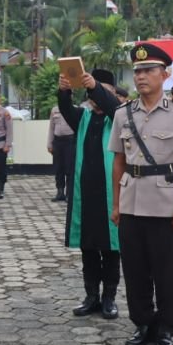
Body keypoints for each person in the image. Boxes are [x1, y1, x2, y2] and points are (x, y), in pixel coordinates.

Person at [109, 43, 173, 345]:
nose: (142, 76)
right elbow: (119, 162)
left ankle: (166, 327)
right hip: (132, 200)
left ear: (165, 74)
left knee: (166, 270)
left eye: (148, 70)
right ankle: (143, 322)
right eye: (137, 71)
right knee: (134, 269)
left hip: (166, 203)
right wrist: (116, 204)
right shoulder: (123, 115)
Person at [57, 69, 122, 320]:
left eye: (103, 89)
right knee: (89, 249)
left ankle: (109, 298)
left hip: (111, 195)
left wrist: (97, 87)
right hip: (86, 196)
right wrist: (64, 89)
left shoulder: (119, 117)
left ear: (112, 93)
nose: (96, 94)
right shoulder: (82, 117)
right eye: (93, 89)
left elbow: (112, 106)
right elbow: (65, 108)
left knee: (111, 250)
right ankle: (91, 296)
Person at [47, 104, 75, 202]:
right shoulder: (54, 110)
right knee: (58, 168)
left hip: (70, 141)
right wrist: (49, 144)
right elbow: (51, 127)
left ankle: (69, 193)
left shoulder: (74, 109)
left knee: (69, 169)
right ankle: (60, 192)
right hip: (57, 141)